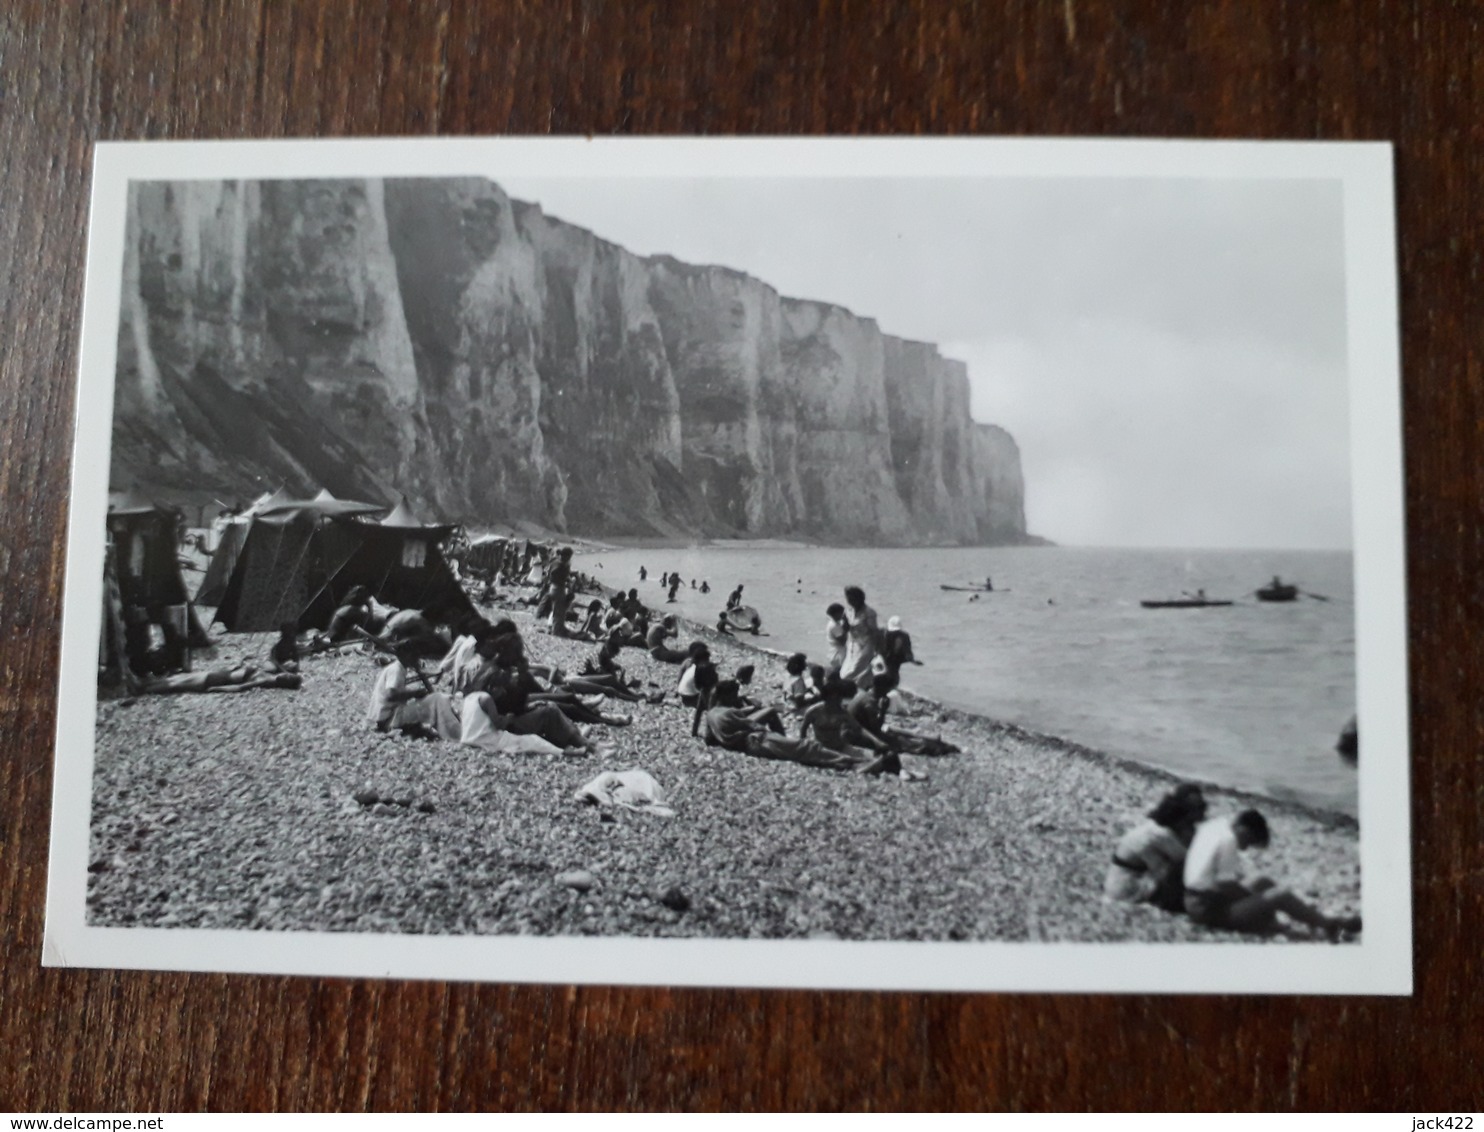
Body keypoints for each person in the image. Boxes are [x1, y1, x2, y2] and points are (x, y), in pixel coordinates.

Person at [1182, 809, 1362, 937]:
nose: (1245, 848)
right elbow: (1226, 885)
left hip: (1197, 899)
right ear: (1243, 829)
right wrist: (1256, 899)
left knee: (1262, 881)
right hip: (1208, 909)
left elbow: (1219, 878)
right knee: (1278, 895)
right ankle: (1329, 925)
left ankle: (1313, 919)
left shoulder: (1216, 826)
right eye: (1248, 841)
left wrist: (1256, 898)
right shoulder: (1229, 840)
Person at [744, 678, 898, 774]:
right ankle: (864, 767)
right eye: (839, 698)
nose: (841, 701)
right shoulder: (814, 711)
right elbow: (803, 730)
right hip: (822, 746)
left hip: (841, 745)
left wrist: (877, 742)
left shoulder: (842, 712)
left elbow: (859, 729)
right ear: (831, 696)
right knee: (849, 762)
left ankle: (888, 768)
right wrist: (802, 746)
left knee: (887, 757)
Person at [1104, 785, 1208, 911]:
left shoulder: (1156, 827)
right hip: (1128, 888)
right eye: (1200, 808)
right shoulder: (1161, 835)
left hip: (1118, 883)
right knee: (1183, 870)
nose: (1204, 812)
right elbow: (1191, 861)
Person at [367, 645, 462, 740]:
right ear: (405, 656)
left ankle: (451, 730)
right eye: (414, 656)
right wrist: (414, 693)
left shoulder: (398, 668)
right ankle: (453, 733)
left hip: (388, 716)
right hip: (389, 718)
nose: (416, 658)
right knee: (437, 699)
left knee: (435, 700)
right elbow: (390, 695)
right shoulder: (396, 670)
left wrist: (414, 694)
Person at [701, 679, 787, 750]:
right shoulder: (728, 710)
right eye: (733, 695)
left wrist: (753, 709)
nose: (735, 698)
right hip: (737, 738)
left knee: (759, 710)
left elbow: (735, 715)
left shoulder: (714, 710)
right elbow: (748, 723)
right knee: (770, 711)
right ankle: (783, 740)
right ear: (725, 695)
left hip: (729, 732)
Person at [839, 585, 879, 689]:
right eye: (848, 598)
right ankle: (852, 688)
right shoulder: (848, 611)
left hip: (866, 644)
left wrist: (878, 649)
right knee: (846, 668)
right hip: (852, 643)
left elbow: (874, 631)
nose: (849, 601)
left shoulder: (869, 612)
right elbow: (845, 628)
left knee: (856, 669)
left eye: (852, 598)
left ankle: (850, 687)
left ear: (859, 598)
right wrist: (844, 624)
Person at [546, 546, 575, 637]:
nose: (570, 558)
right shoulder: (562, 565)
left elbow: (550, 573)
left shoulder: (554, 562)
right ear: (566, 555)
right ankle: (557, 630)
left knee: (556, 609)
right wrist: (567, 581)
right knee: (559, 610)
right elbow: (558, 575)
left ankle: (556, 628)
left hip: (552, 587)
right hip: (559, 588)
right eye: (569, 556)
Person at [824, 602, 849, 675]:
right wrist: (846, 625)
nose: (843, 615)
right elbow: (843, 641)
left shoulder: (834, 623)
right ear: (836, 614)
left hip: (836, 652)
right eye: (841, 613)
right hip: (838, 654)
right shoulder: (834, 626)